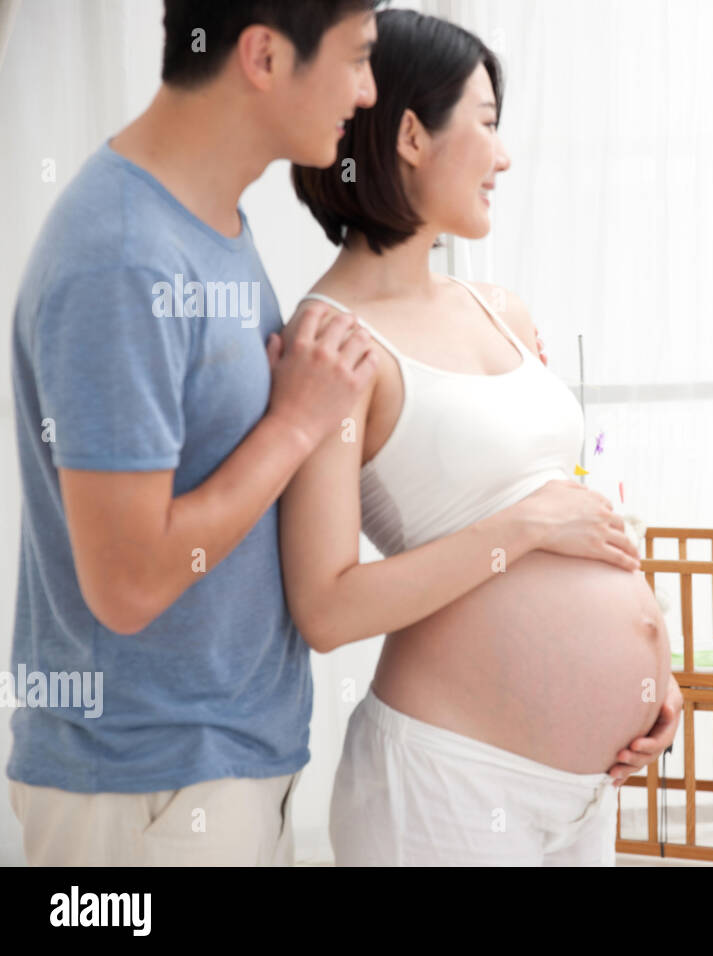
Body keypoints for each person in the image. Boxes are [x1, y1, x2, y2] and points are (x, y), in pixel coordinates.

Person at [280, 8, 682, 866]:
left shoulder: (498, 310)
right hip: (446, 785)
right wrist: (525, 530)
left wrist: (653, 678)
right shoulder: (333, 341)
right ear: (414, 135)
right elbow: (325, 606)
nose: (502, 157)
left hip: (584, 792)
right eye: (489, 124)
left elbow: (575, 504)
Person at [6, 0, 385, 865]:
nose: (365, 90)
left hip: (220, 773)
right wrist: (293, 426)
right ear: (261, 55)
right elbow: (128, 585)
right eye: (357, 57)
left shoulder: (207, 222)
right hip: (142, 793)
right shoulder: (125, 258)